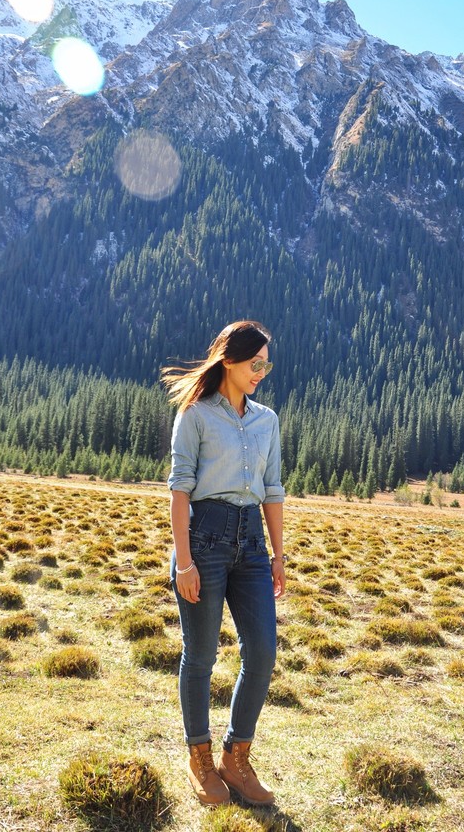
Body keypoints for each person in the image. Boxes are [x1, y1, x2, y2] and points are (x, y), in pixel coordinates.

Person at [161, 320, 286, 807]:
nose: (261, 372)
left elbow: (272, 490)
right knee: (202, 655)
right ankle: (200, 760)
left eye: (265, 364)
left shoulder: (267, 420)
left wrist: (279, 556)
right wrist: (185, 562)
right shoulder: (194, 415)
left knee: (263, 650)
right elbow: (179, 492)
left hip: (252, 544)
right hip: (203, 540)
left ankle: (236, 761)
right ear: (228, 361)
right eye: (255, 363)